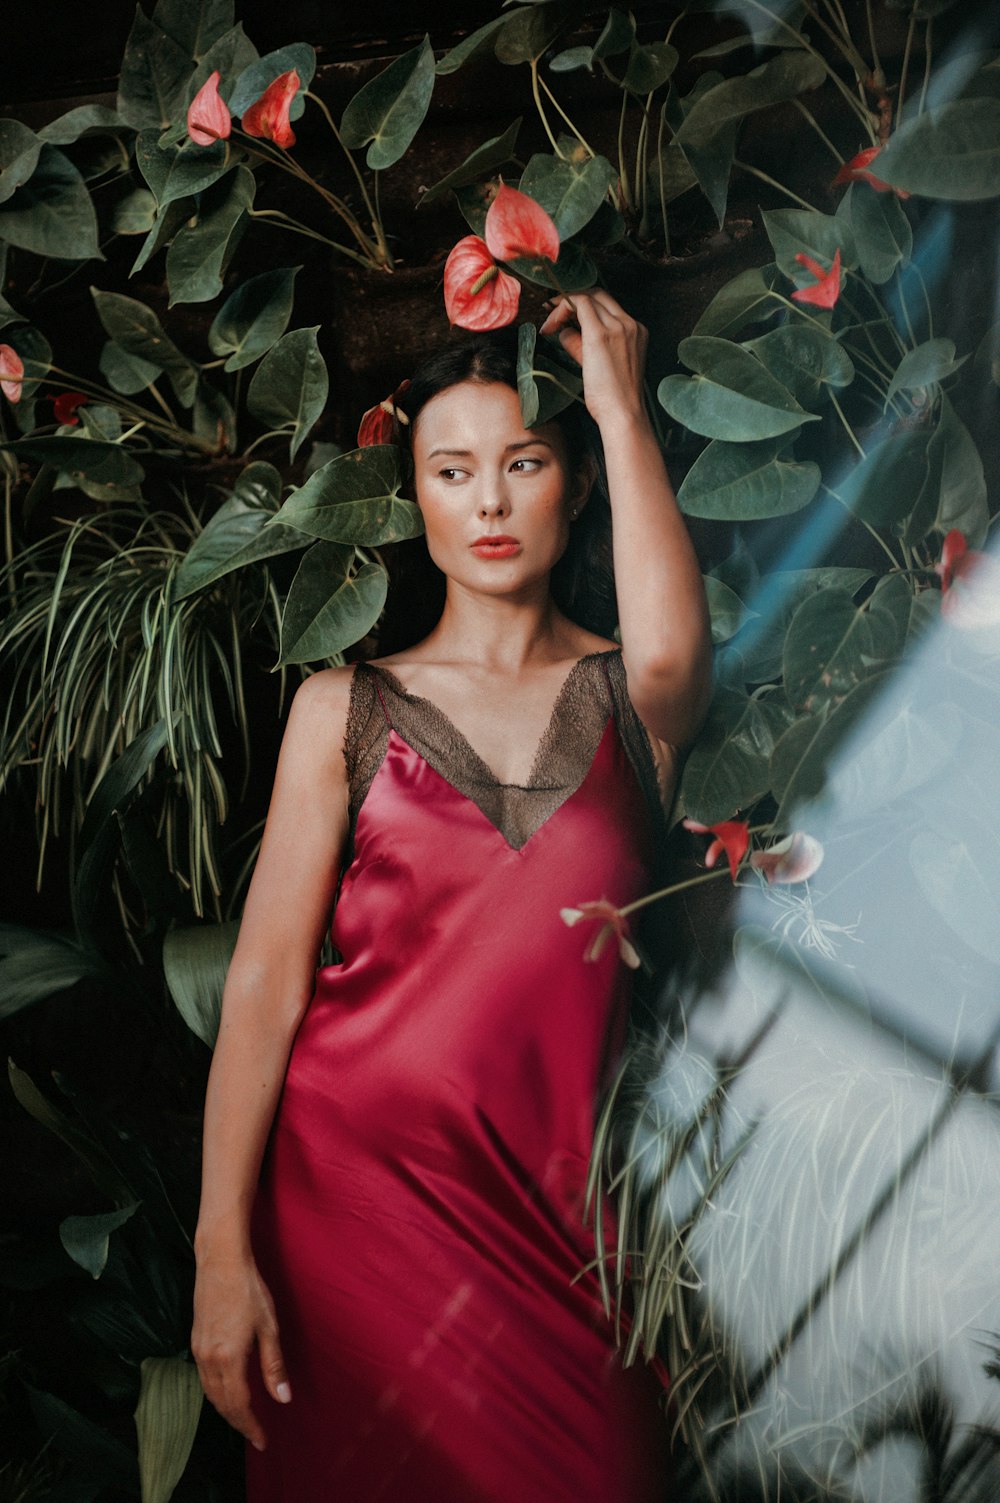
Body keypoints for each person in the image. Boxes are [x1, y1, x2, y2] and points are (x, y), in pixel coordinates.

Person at [191, 289, 712, 1501]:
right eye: (450, 469)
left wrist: (618, 407)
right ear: (412, 494)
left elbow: (679, 654)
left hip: (564, 1235)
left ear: (574, 485)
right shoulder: (341, 709)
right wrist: (222, 1247)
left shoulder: (633, 699)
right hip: (350, 1222)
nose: (487, 501)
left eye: (523, 463)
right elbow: (265, 986)